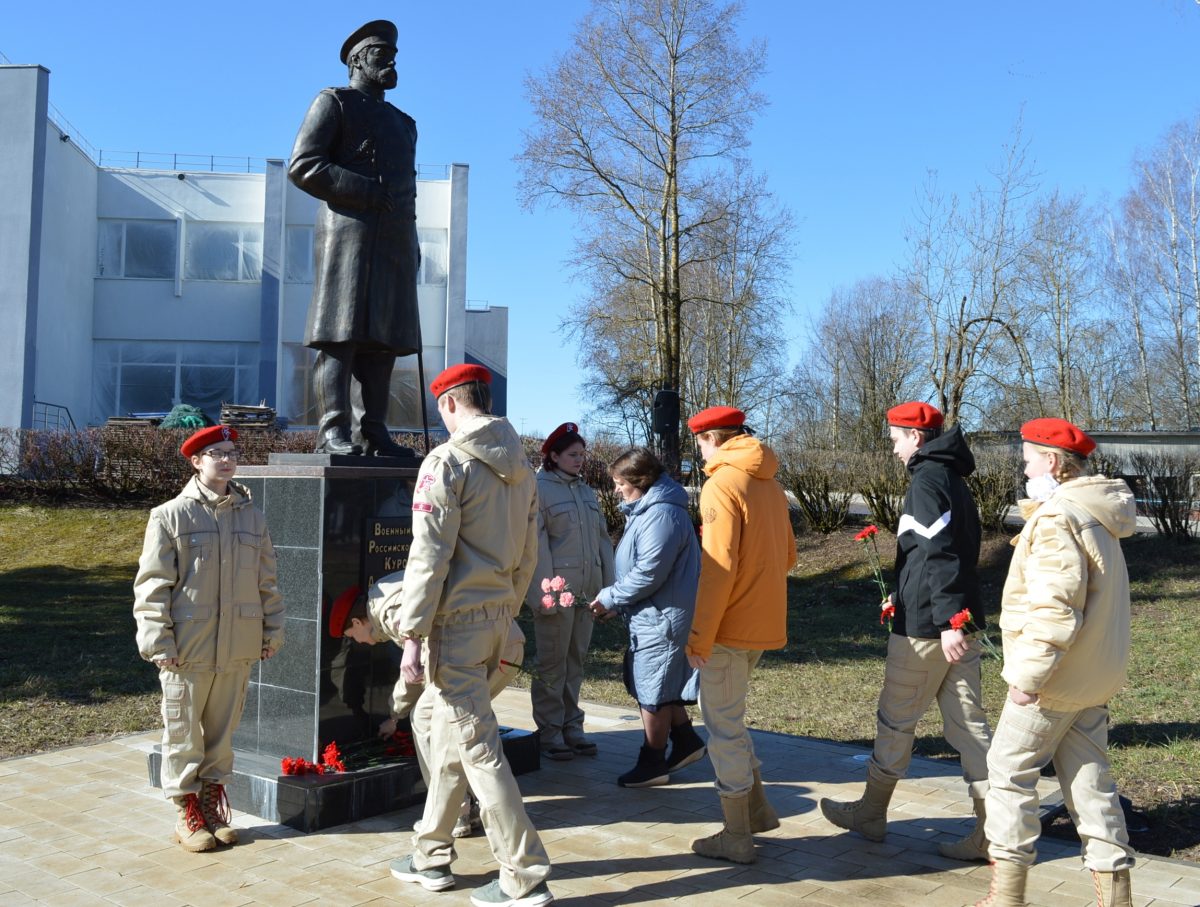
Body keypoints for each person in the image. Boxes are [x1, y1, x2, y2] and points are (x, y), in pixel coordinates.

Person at [386, 363, 553, 907]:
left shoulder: (447, 461)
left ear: (449, 404)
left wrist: (411, 634)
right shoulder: (522, 466)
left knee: (479, 751)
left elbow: (428, 556)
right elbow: (529, 554)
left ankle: (523, 875)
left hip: (455, 627)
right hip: (495, 620)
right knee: (447, 735)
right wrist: (505, 609)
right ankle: (430, 853)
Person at [820, 401, 994, 861]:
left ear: (915, 437)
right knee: (970, 728)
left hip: (928, 630)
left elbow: (941, 556)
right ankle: (993, 832)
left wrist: (945, 621)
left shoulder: (927, 480)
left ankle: (870, 814)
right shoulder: (951, 477)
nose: (893, 448)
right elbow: (932, 553)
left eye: (895, 438)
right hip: (952, 621)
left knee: (895, 721)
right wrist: (904, 591)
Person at [975, 419, 1136, 907]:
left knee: (1007, 773)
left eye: (1027, 459)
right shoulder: (1097, 514)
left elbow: (1054, 608)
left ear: (1051, 461)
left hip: (1053, 680)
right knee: (1090, 781)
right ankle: (1117, 898)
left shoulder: (1058, 518)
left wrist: (1028, 678)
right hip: (1091, 676)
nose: (1023, 469)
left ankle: (1006, 899)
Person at [133, 426, 284, 852]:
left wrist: (272, 630)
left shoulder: (252, 517)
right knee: (183, 733)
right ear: (196, 461)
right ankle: (186, 812)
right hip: (188, 648)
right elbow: (152, 586)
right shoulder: (170, 516)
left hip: (237, 647)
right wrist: (158, 642)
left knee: (221, 733)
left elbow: (266, 581)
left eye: (231, 452)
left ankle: (211, 807)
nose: (227, 459)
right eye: (216, 453)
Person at [289, 19, 421, 456]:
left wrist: (413, 245)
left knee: (382, 342)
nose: (392, 63)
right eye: (383, 56)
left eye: (394, 56)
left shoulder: (405, 123)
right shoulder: (334, 103)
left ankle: (376, 431)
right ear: (358, 61)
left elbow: (407, 193)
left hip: (395, 244)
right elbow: (304, 165)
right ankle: (333, 431)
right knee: (339, 337)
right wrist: (365, 190)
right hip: (348, 239)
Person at [330, 577, 525, 839]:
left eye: (351, 636)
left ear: (356, 622)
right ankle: (462, 809)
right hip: (496, 641)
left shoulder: (391, 612)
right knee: (447, 723)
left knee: (428, 720)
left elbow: (417, 669)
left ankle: (453, 815)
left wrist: (394, 713)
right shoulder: (383, 596)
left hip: (489, 651)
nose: (358, 642)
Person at [685, 406, 795, 865]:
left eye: (699, 443)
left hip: (728, 627)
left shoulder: (721, 483)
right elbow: (788, 556)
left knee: (723, 729)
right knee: (733, 718)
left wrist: (698, 637)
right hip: (762, 623)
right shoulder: (769, 482)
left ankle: (736, 835)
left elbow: (716, 570)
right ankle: (756, 810)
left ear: (710, 439)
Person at [590, 447, 706, 788]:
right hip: (653, 614)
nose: (616, 490)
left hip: (663, 619)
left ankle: (653, 763)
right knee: (661, 684)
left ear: (638, 481)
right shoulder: (649, 511)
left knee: (651, 690)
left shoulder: (663, 515)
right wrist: (620, 605)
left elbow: (649, 573)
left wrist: (609, 595)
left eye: (619, 483)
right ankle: (685, 741)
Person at [525, 422, 615, 761]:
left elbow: (604, 542)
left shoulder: (586, 491)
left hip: (587, 592)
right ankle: (549, 732)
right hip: (556, 593)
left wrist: (609, 590)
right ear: (554, 456)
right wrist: (543, 594)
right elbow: (535, 546)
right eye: (573, 455)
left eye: (582, 455)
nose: (580, 460)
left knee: (575, 661)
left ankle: (571, 726)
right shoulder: (539, 489)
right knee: (552, 663)